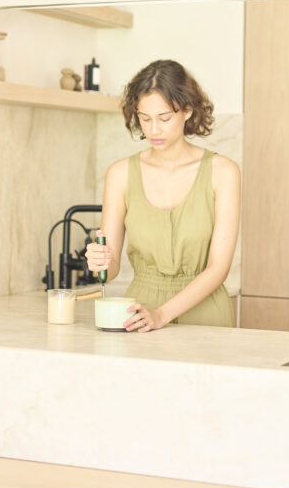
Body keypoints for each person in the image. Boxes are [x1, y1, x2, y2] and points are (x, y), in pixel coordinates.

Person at [86, 59, 240, 332]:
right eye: (145, 119)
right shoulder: (120, 174)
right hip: (139, 316)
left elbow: (218, 268)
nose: (153, 130)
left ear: (188, 110)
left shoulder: (223, 172)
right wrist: (99, 261)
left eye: (164, 118)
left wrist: (161, 315)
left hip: (206, 316)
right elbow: (110, 271)